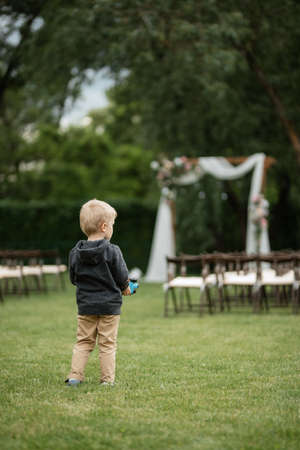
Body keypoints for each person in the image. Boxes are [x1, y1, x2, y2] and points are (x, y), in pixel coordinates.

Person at [65, 199, 131, 387]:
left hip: (85, 305)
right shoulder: (113, 251)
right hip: (109, 307)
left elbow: (73, 279)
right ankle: (107, 380)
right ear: (104, 227)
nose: (112, 228)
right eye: (112, 225)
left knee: (83, 342)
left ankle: (75, 377)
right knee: (107, 344)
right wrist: (127, 287)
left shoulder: (75, 253)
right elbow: (122, 277)